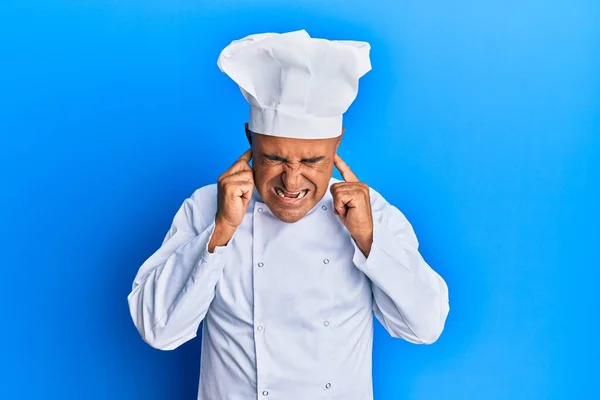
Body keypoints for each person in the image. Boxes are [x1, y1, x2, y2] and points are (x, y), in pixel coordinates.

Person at [127, 30, 449, 400]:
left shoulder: (370, 211)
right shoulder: (206, 206)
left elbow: (425, 328)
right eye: (275, 158)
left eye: (313, 161)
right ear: (250, 139)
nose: (292, 181)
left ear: (338, 142)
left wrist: (369, 239)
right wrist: (221, 231)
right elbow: (158, 331)